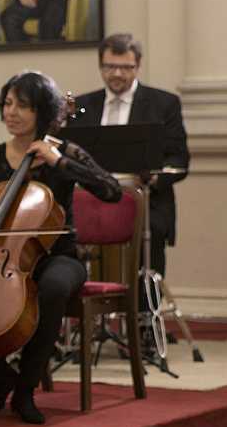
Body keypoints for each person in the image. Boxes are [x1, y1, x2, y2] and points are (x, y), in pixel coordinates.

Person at [0, 72, 120, 424]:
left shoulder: (64, 153)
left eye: (23, 106)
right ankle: (0, 377)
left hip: (58, 256)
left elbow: (111, 190)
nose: (11, 112)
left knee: (53, 288)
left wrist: (59, 161)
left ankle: (26, 390)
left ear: (42, 112)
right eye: (8, 104)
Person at [74, 33, 189, 279]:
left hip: (145, 203)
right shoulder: (82, 105)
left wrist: (151, 179)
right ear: (100, 66)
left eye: (126, 67)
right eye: (110, 67)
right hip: (93, 201)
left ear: (138, 65)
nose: (117, 74)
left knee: (151, 236)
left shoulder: (164, 104)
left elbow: (179, 160)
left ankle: (146, 311)